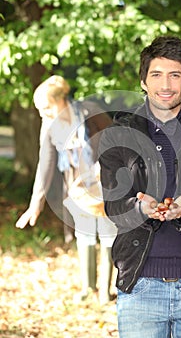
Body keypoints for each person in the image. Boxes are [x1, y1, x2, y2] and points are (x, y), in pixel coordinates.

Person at [99, 36, 181, 337]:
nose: (166, 85)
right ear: (143, 81)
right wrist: (139, 208)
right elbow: (114, 205)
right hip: (140, 284)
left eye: (175, 75)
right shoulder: (117, 134)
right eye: (156, 74)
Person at [15, 75, 117, 305]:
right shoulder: (49, 125)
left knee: (109, 234)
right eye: (39, 109)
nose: (42, 113)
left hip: (107, 184)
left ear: (61, 100)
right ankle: (88, 287)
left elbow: (116, 140)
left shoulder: (90, 111)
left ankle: (105, 291)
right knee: (85, 234)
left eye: (46, 107)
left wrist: (105, 166)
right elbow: (46, 163)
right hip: (78, 188)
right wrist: (35, 205)